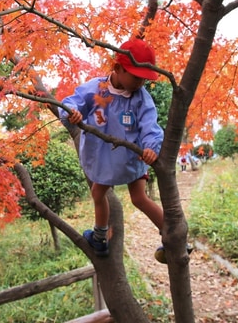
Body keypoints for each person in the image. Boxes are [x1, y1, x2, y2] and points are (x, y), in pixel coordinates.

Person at [60, 38, 166, 263]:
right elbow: (73, 101)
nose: (140, 84)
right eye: (136, 77)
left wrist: (150, 147)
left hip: (130, 159)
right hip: (106, 158)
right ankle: (101, 238)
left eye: (144, 79)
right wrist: (72, 113)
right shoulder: (96, 89)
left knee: (138, 198)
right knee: (105, 194)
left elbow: (150, 126)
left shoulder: (140, 98)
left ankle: (171, 234)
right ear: (117, 68)